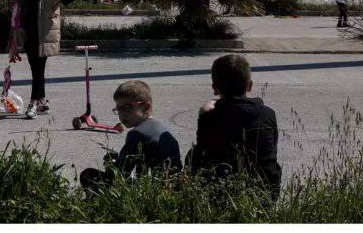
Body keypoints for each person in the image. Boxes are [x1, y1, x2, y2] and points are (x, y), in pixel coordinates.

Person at [4, 0, 79, 119]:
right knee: (34, 66)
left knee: (38, 67)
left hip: (44, 28)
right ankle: (43, 99)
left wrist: (59, 4)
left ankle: (33, 103)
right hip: (28, 26)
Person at [190, 54, 282, 200]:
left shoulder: (209, 118)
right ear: (249, 85)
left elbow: (203, 153)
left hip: (221, 193)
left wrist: (203, 114)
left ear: (215, 88)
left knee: (194, 154)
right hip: (265, 192)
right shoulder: (266, 114)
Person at [80, 80, 182, 189]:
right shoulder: (164, 131)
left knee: (88, 175)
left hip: (148, 192)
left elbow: (121, 173)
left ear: (147, 107)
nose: (122, 114)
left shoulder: (136, 134)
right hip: (173, 189)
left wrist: (110, 164)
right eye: (118, 109)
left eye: (127, 108)